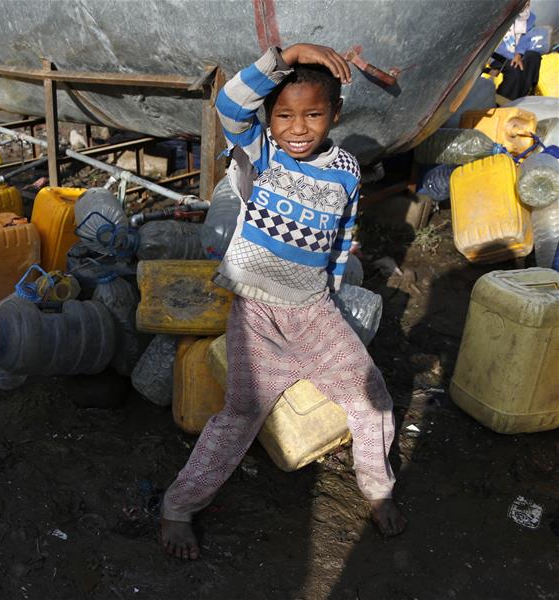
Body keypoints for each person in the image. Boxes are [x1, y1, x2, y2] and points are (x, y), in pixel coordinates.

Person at [160, 43, 406, 561]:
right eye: (284, 115)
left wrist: (332, 294)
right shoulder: (261, 153)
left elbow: (342, 237)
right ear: (269, 120)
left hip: (313, 310)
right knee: (242, 413)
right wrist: (285, 54)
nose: (297, 128)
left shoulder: (345, 170)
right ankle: (179, 506)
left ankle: (377, 489)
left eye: (313, 114)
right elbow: (229, 104)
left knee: (372, 398)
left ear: (334, 114)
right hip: (256, 315)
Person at [492, 2, 541, 100]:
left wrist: (518, 54)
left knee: (534, 57)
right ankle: (503, 101)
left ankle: (528, 92)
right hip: (497, 55)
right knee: (515, 71)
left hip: (517, 52)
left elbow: (526, 38)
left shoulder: (527, 17)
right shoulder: (496, 14)